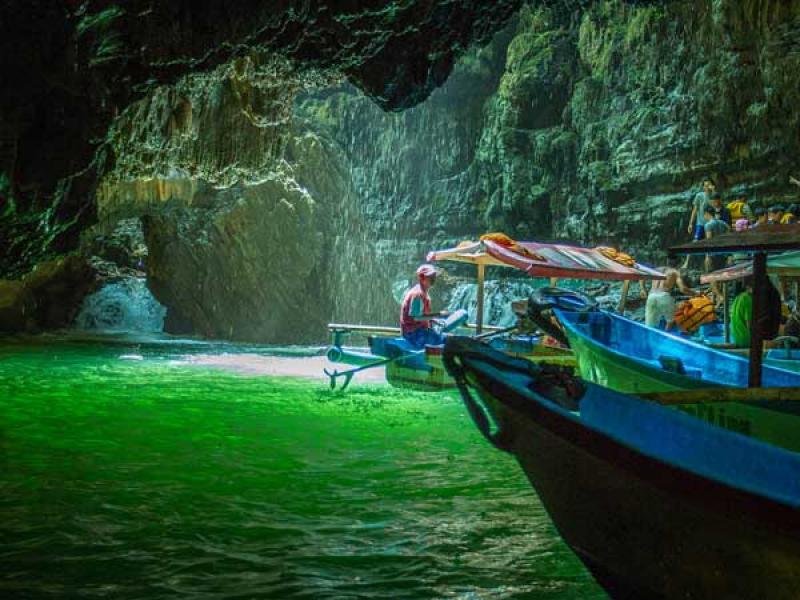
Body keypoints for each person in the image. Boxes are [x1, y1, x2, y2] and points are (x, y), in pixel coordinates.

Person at [400, 264, 448, 348]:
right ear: (422, 278)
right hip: (413, 335)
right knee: (445, 342)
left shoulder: (422, 292)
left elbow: (421, 315)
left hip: (418, 332)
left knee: (446, 339)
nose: (433, 279)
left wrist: (433, 320)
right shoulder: (417, 294)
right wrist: (439, 314)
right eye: (430, 276)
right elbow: (416, 317)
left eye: (434, 276)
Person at [730, 277, 783, 348]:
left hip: (737, 340)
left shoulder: (738, 298)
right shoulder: (748, 300)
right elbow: (751, 326)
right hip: (748, 341)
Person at [645, 264, 696, 330]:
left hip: (651, 296)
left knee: (650, 325)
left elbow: (642, 276)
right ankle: (666, 337)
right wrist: (695, 294)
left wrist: (643, 290)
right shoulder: (675, 272)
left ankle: (651, 338)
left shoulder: (657, 269)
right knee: (671, 320)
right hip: (664, 296)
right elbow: (683, 289)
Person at [703, 205, 730, 306]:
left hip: (713, 254)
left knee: (711, 277)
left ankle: (720, 297)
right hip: (723, 254)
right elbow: (728, 236)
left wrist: (707, 256)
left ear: (706, 213)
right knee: (721, 276)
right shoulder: (724, 224)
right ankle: (717, 300)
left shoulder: (708, 225)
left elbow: (709, 241)